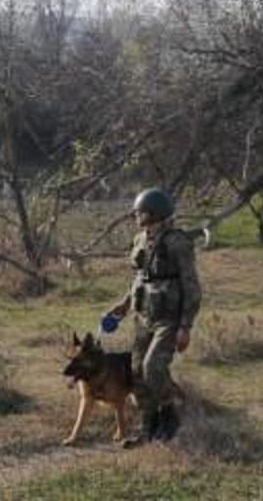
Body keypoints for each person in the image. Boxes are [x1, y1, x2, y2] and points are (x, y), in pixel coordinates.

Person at [105, 188, 201, 446]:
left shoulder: (177, 242)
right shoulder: (140, 240)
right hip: (143, 315)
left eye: (140, 212)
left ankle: (169, 418)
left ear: (154, 213)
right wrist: (125, 304)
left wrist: (185, 326)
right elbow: (141, 276)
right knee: (136, 371)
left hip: (168, 319)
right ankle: (147, 428)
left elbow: (191, 285)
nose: (136, 216)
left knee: (153, 368)